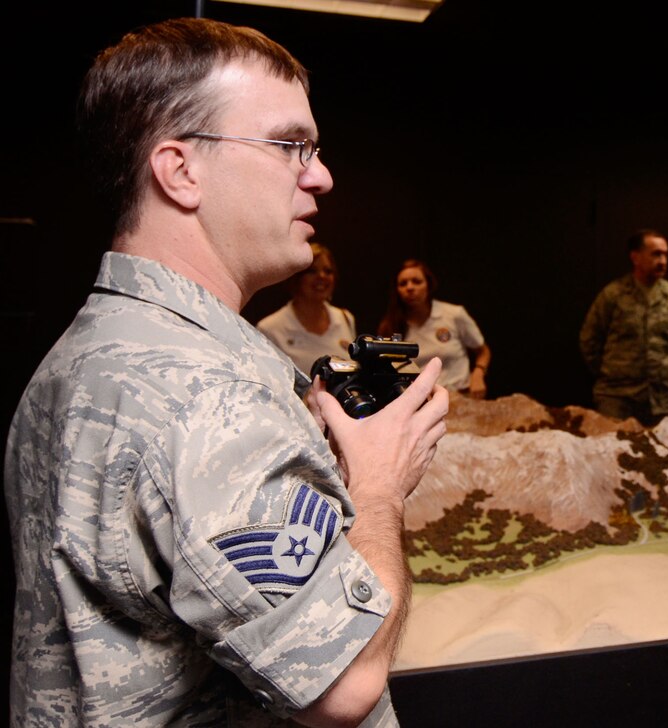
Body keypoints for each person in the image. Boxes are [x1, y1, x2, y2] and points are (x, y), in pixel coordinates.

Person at [3, 18, 448, 727]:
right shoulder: (203, 393)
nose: (322, 174)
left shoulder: (97, 350)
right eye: (289, 145)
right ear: (181, 170)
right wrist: (378, 487)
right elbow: (345, 682)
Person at [579, 228, 668, 426]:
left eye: (665, 254)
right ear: (635, 257)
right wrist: (613, 373)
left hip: (662, 400)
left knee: (665, 453)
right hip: (618, 398)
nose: (663, 261)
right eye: (656, 254)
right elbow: (589, 339)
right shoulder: (614, 295)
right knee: (614, 452)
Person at [377, 259, 491, 398]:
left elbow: (483, 351)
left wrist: (478, 374)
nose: (410, 287)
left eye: (416, 281)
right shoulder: (390, 326)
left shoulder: (454, 314)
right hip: (420, 401)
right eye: (403, 284)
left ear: (428, 285)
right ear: (397, 290)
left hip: (460, 396)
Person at [257, 241, 358, 373]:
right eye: (312, 271)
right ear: (296, 278)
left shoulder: (346, 318)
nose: (321, 277)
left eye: (328, 271)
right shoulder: (270, 329)